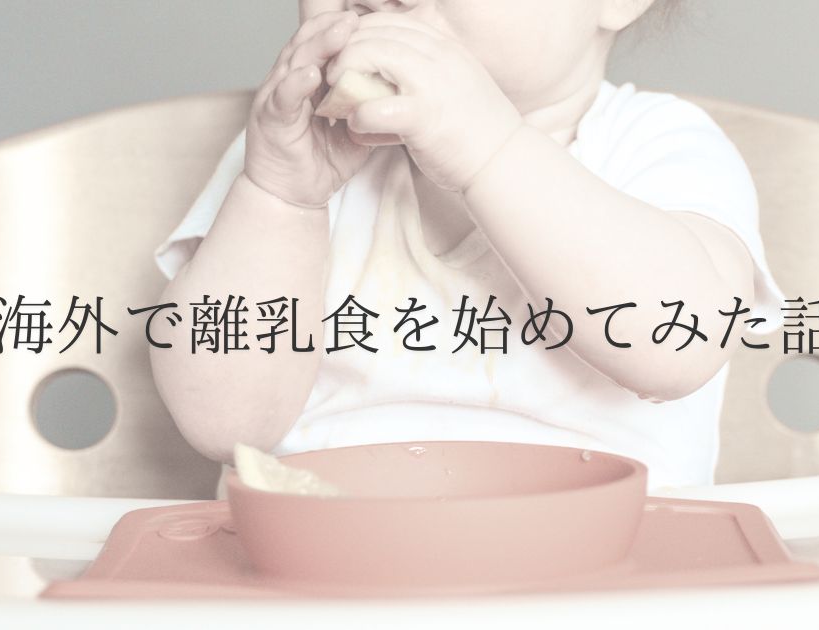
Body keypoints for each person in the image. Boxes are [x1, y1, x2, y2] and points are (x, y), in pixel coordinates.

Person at [149, 0, 786, 493]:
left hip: (601, 573)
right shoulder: (288, 153)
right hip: (328, 567)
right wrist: (281, 198)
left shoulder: (658, 147)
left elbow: (678, 343)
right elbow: (223, 422)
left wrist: (489, 150)